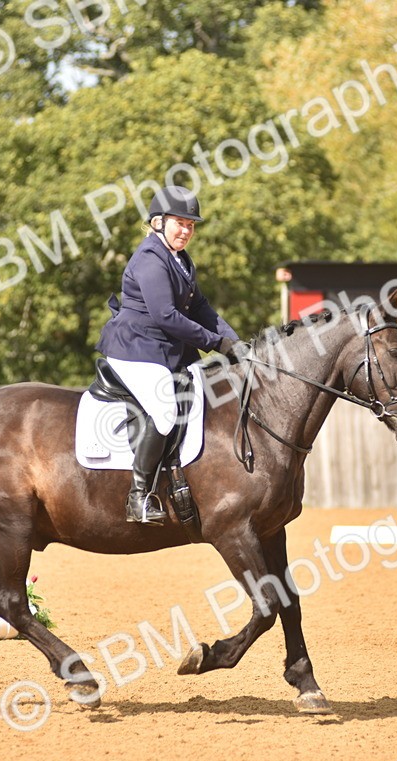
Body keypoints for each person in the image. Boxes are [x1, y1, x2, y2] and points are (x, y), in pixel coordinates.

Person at [95, 186, 242, 525]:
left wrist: (236, 343)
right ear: (158, 222)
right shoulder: (149, 258)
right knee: (164, 411)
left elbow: (201, 307)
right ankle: (139, 496)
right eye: (180, 223)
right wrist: (216, 344)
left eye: (191, 225)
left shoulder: (180, 260)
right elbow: (166, 316)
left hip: (165, 350)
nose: (187, 231)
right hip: (136, 350)